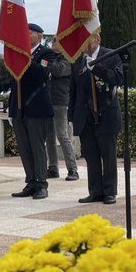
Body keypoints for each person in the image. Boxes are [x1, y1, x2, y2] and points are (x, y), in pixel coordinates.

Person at [69, 42, 122, 205]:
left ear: (96, 37)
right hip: (85, 115)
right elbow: (73, 91)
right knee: (91, 156)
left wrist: (96, 68)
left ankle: (109, 191)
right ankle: (95, 191)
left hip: (105, 113)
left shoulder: (111, 54)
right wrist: (71, 116)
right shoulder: (77, 60)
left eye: (87, 39)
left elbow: (118, 79)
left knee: (108, 155)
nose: (84, 43)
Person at [10, 28, 55, 200]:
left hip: (37, 107)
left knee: (37, 147)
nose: (27, 36)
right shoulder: (18, 52)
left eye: (30, 33)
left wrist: (26, 59)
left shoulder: (46, 53)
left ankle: (42, 183)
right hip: (19, 107)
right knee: (24, 147)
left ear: (40, 36)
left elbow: (41, 74)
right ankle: (31, 181)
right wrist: (11, 107)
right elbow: (14, 81)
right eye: (25, 32)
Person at [42, 32, 79, 181]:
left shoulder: (68, 59)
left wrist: (46, 63)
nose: (53, 44)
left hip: (60, 101)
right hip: (48, 101)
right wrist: (46, 63)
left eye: (56, 41)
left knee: (62, 135)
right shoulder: (52, 58)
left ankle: (72, 169)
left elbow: (57, 70)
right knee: (49, 137)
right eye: (52, 42)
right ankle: (53, 168)